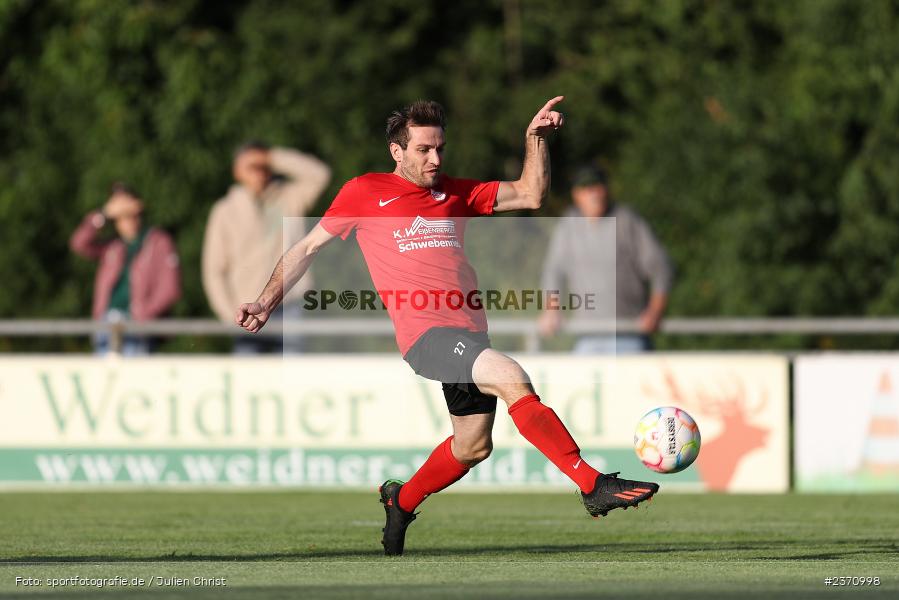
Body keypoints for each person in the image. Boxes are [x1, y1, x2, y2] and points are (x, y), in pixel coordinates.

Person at [235, 99, 659, 556]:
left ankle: (401, 500)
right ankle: (592, 484)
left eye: (440, 148)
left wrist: (534, 139)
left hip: (470, 334)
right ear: (397, 151)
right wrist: (266, 300)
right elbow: (306, 248)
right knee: (511, 376)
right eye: (423, 150)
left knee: (472, 447)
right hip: (426, 337)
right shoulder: (364, 192)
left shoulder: (455, 192)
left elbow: (530, 194)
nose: (435, 159)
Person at [202, 142, 331, 353]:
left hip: (290, 304)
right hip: (247, 308)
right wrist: (229, 314)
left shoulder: (289, 198)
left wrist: (273, 157)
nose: (259, 171)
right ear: (236, 171)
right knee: (249, 373)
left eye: (262, 166)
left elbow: (320, 175)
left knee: (294, 371)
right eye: (251, 166)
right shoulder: (224, 211)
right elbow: (214, 270)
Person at [538, 165, 674, 353]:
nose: (593, 193)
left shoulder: (627, 220)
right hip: (587, 338)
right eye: (586, 188)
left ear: (606, 189)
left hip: (629, 335)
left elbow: (661, 267)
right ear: (576, 194)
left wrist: (655, 311)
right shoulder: (569, 226)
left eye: (597, 185)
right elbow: (554, 271)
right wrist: (552, 310)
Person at [70, 183, 181, 355]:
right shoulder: (113, 246)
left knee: (132, 371)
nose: (123, 213)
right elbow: (79, 244)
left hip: (137, 328)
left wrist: (143, 315)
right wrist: (103, 215)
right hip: (105, 325)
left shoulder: (158, 242)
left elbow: (170, 289)